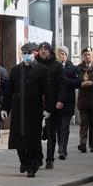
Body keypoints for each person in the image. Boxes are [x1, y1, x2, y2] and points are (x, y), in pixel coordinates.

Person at [2, 42, 52, 177]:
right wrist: (4, 108)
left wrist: (48, 109)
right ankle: (23, 161)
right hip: (18, 109)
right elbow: (8, 91)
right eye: (24, 53)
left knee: (33, 140)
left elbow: (47, 92)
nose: (26, 56)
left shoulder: (42, 70)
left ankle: (32, 166)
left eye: (28, 53)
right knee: (18, 139)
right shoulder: (16, 70)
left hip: (34, 110)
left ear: (34, 54)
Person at [34, 41, 63, 169]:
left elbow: (62, 84)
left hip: (52, 103)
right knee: (35, 133)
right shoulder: (34, 64)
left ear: (50, 52)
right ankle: (38, 157)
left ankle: (50, 158)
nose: (43, 51)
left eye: (45, 49)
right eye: (41, 49)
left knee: (51, 132)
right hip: (36, 102)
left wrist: (60, 100)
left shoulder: (56, 65)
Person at [55, 46, 81, 160]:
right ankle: (60, 145)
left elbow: (78, 82)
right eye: (59, 53)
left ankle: (62, 149)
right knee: (58, 127)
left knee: (65, 126)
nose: (61, 56)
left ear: (66, 55)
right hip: (56, 102)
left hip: (68, 102)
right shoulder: (54, 67)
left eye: (63, 54)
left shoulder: (73, 68)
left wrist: (66, 80)